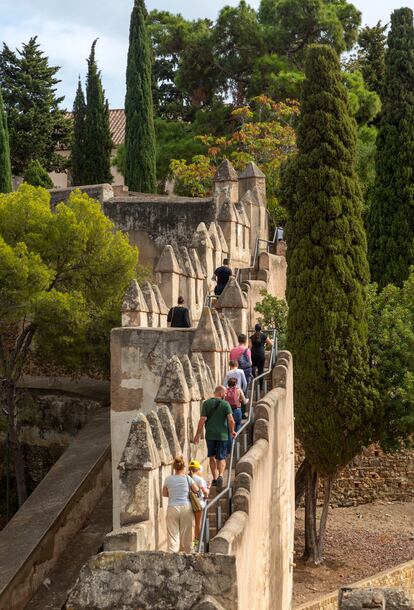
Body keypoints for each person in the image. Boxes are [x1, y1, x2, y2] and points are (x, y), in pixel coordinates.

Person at [193, 386, 236, 489]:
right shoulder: (226, 404)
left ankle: (215, 478)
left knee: (211, 457)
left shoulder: (206, 403)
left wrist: (198, 434)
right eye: (225, 393)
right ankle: (221, 475)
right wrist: (232, 430)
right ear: (220, 393)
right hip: (222, 435)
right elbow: (231, 420)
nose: (225, 395)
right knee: (221, 457)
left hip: (210, 435)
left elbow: (202, 419)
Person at [162, 455, 199, 553]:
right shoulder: (187, 478)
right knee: (187, 536)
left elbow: (164, 494)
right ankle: (188, 556)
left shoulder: (168, 479)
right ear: (184, 467)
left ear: (174, 467)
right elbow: (197, 490)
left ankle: (172, 557)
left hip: (172, 508)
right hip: (186, 507)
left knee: (173, 537)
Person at [188, 460, 209, 549]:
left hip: (188, 503)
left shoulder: (187, 477)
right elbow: (206, 493)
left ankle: (191, 544)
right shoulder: (199, 479)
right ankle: (197, 544)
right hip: (198, 504)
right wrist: (209, 487)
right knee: (197, 524)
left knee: (190, 525)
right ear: (198, 469)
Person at [225, 377, 246, 454]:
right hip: (237, 410)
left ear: (228, 384)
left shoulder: (225, 391)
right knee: (238, 426)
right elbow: (244, 401)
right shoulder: (238, 390)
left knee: (229, 431)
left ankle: (229, 451)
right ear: (236, 383)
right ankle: (236, 444)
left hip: (228, 412)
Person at [249, 324, 273, 389]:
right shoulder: (264, 336)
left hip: (253, 355)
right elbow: (271, 344)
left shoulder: (251, 337)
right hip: (261, 355)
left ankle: (254, 378)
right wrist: (264, 346)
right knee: (260, 370)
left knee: (253, 368)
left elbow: (250, 347)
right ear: (261, 329)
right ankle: (261, 387)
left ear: (255, 329)